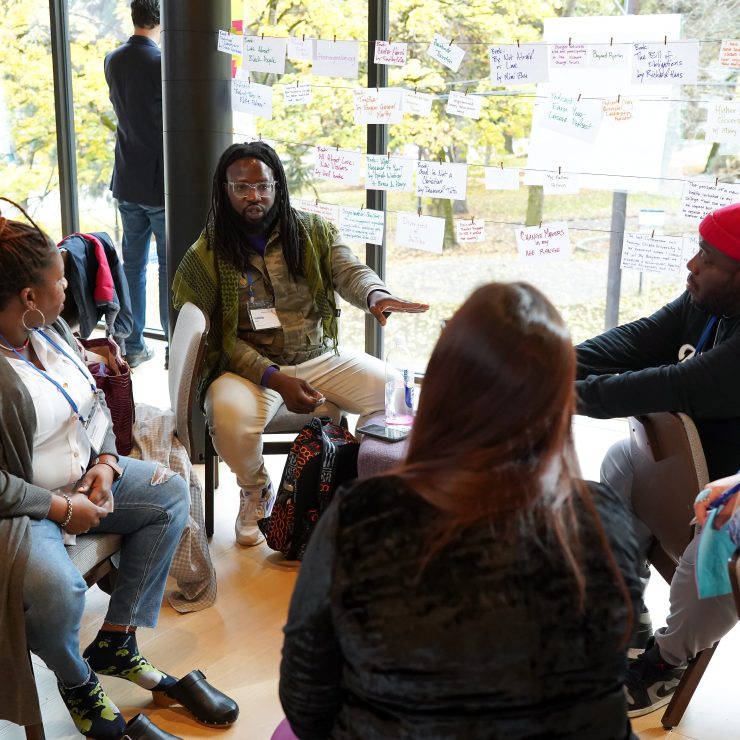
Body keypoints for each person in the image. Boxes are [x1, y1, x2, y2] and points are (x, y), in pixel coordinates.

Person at [278, 282, 641, 740]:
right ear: (557, 401)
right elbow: (606, 678)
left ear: (442, 391)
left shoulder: (362, 516)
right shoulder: (604, 519)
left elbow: (305, 696)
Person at [0, 199, 238, 740]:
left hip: (83, 476)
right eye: (61, 281)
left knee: (170, 494)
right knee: (59, 592)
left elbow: (95, 403)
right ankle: (76, 680)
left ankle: (117, 640)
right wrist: (61, 508)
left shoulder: (50, 329)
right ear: (28, 296)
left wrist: (107, 461)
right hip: (23, 506)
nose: (69, 290)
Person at [172, 141, 429, 547]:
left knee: (397, 395)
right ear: (224, 190)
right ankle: (256, 490)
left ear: (278, 186)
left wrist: (376, 295)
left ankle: (353, 482)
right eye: (241, 187)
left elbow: (349, 271)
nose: (253, 196)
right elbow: (220, 342)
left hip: (319, 356)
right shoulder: (204, 256)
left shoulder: (312, 232)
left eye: (262, 185)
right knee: (226, 415)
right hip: (249, 371)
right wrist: (275, 379)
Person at [575, 201, 740, 716]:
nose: (693, 264)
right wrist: (546, 364)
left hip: (730, 490)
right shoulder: (707, 301)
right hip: (704, 469)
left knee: (722, 532)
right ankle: (625, 610)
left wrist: (557, 394)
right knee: (625, 462)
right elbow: (634, 342)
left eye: (709, 258)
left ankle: (667, 662)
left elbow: (681, 385)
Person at [105, 0, 167, 368]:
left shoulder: (114, 59)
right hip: (158, 183)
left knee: (133, 265)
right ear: (161, 19)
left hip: (127, 178)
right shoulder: (161, 63)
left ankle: (133, 344)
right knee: (169, 266)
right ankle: (176, 345)